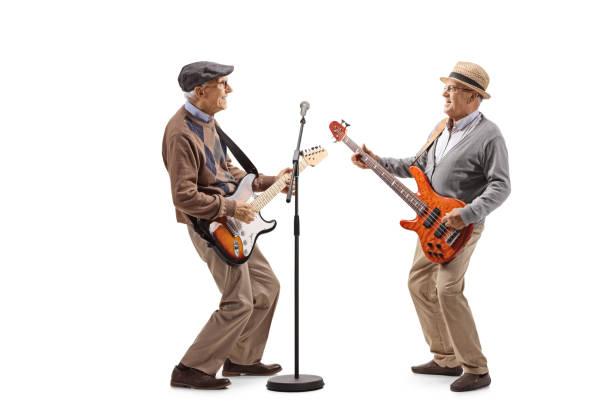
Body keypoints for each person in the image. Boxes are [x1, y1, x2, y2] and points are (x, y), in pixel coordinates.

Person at [351, 62, 510, 392]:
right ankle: (445, 358)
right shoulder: (441, 128)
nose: (445, 93)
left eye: (452, 88)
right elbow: (416, 166)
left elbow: (500, 185)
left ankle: (477, 369)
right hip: (431, 226)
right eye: (447, 87)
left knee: (448, 289)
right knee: (419, 284)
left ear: (472, 96)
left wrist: (467, 213)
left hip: (461, 228)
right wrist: (375, 160)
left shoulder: (489, 135)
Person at [162, 61, 290, 390]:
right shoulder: (180, 133)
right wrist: (231, 206)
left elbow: (228, 173)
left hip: (234, 221)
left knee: (267, 288)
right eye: (223, 83)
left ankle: (243, 358)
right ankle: (191, 368)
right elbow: (183, 196)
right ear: (200, 91)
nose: (229, 90)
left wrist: (270, 182)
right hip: (210, 228)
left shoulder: (210, 124)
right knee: (238, 301)